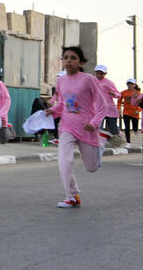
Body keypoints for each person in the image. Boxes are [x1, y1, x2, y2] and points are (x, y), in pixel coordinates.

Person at [48, 46, 116, 208]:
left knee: (91, 167)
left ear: (81, 62)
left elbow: (102, 105)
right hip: (66, 127)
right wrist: (51, 111)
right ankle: (72, 196)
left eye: (73, 58)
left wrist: (94, 123)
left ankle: (100, 142)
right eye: (66, 57)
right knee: (64, 161)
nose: (69, 61)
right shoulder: (61, 81)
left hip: (87, 128)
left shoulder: (89, 79)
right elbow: (62, 104)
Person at [92, 64, 121, 138]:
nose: (99, 75)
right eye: (97, 73)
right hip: (98, 109)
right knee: (98, 127)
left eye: (101, 73)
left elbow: (119, 95)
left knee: (112, 128)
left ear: (105, 74)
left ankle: (118, 134)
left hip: (109, 109)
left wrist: (113, 93)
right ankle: (99, 143)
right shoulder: (92, 81)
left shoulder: (109, 83)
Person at [118, 78, 141, 144]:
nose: (130, 85)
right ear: (127, 84)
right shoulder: (123, 92)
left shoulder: (138, 93)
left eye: (131, 84)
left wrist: (138, 110)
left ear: (134, 85)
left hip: (135, 113)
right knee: (127, 127)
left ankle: (136, 130)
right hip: (126, 112)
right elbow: (119, 101)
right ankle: (128, 142)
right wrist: (118, 108)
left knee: (135, 128)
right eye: (128, 84)